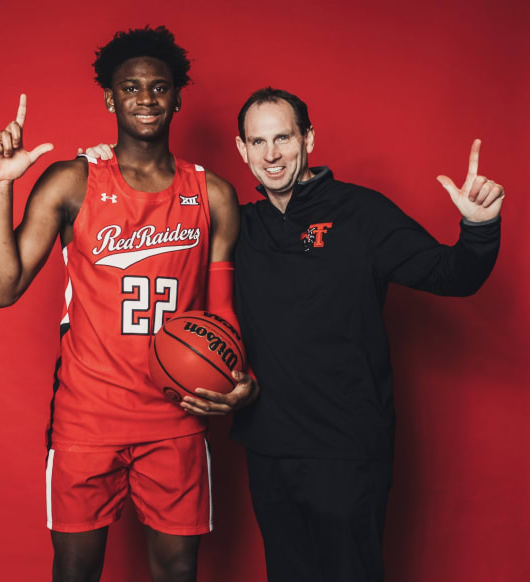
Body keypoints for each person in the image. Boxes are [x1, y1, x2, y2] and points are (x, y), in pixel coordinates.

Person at [183, 87, 504, 581]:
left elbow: (452, 276)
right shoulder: (239, 225)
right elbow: (153, 213)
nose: (271, 154)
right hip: (270, 448)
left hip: (349, 449)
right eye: (258, 141)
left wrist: (479, 229)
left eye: (284, 137)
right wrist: (103, 160)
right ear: (242, 149)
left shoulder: (362, 213)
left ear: (309, 137)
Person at [0, 26, 256, 582]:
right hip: (86, 418)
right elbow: (0, 289)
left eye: (159, 87)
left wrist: (237, 379)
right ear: (110, 97)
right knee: (75, 572)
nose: (146, 99)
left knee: (178, 573)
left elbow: (222, 313)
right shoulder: (71, 182)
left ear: (178, 96)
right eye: (131, 87)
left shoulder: (214, 195)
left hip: (176, 418)